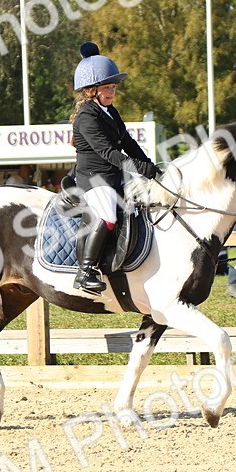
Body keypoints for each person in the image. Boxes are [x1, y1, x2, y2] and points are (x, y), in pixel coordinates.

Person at [69, 42, 159, 294]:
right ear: (92, 90)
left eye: (113, 87)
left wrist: (149, 166)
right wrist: (139, 167)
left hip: (113, 175)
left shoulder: (110, 111)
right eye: (107, 87)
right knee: (108, 215)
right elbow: (108, 153)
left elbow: (128, 142)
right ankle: (85, 271)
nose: (112, 92)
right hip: (93, 179)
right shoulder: (87, 117)